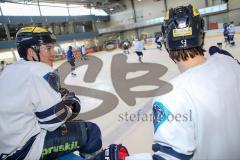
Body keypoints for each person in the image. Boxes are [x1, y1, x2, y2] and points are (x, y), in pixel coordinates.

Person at [128, 4, 240, 160]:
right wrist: (228, 62)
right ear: (201, 35)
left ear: (167, 42)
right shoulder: (229, 63)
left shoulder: (171, 96)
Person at [0, 27, 104, 160]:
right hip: (25, 151)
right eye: (48, 48)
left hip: (6, 147)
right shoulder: (39, 70)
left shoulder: (8, 70)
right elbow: (52, 122)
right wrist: (70, 106)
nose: (53, 52)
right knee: (91, 131)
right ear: (31, 52)